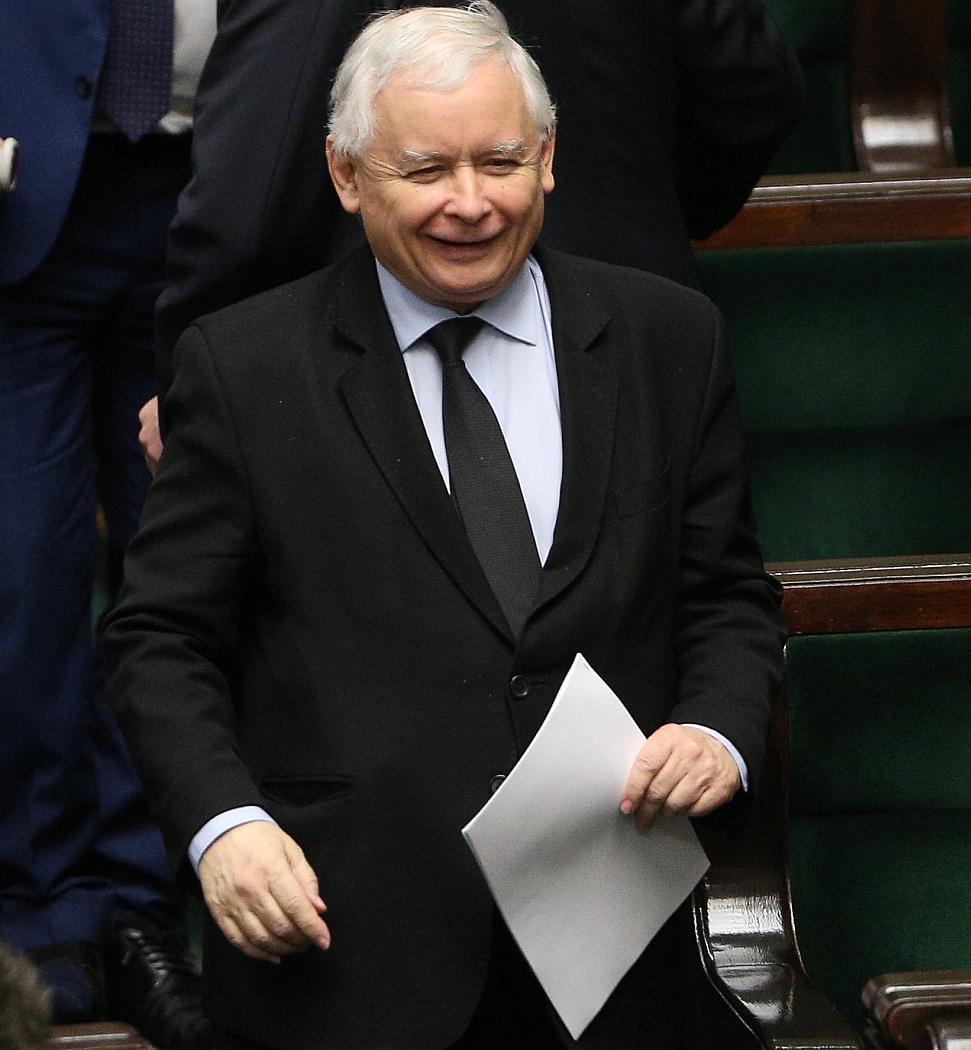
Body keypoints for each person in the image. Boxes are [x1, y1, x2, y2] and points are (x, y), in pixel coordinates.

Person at [104, 4, 786, 1047]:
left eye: (500, 162)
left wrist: (717, 731)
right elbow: (161, 639)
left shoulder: (668, 339)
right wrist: (223, 827)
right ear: (345, 176)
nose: (469, 204)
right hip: (344, 959)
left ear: (548, 159)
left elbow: (728, 595)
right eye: (425, 170)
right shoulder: (243, 368)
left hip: (612, 964)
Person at [138, 0, 802, 463]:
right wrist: (639, 214)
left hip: (355, 367)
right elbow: (749, 92)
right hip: (628, 344)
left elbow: (249, 191)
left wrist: (195, 388)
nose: (473, 204)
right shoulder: (663, 327)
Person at [0, 3, 213, 1045]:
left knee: (182, 576)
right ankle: (40, 911)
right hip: (17, 190)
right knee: (25, 581)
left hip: (218, 194)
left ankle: (144, 907)